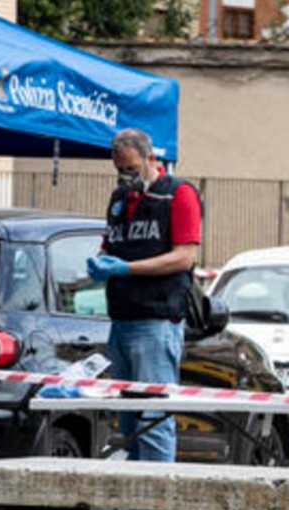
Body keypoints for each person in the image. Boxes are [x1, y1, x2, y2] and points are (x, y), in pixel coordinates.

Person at [86, 128, 201, 463]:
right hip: (122, 318)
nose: (126, 176)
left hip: (157, 319)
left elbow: (184, 257)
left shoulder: (177, 194)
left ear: (151, 158)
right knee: (128, 424)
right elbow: (110, 244)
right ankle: (135, 492)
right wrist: (100, 262)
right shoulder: (119, 200)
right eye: (120, 170)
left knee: (153, 422)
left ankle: (157, 496)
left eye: (132, 169)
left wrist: (127, 268)